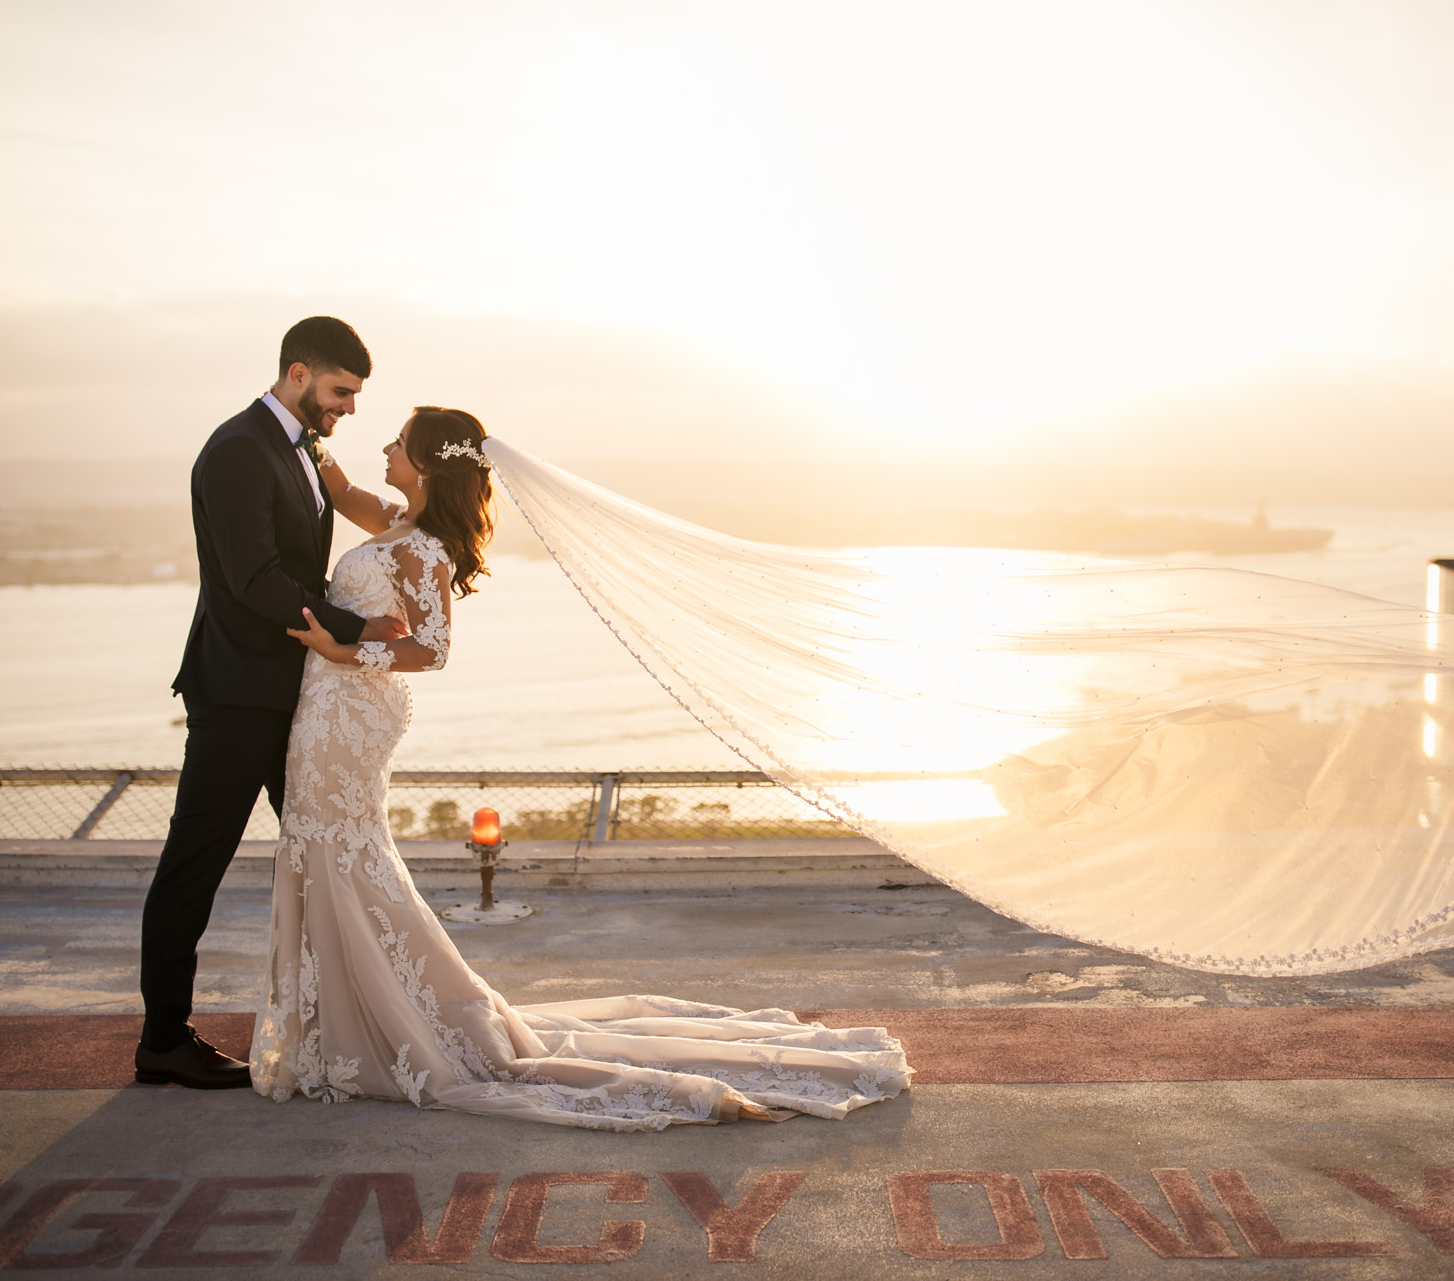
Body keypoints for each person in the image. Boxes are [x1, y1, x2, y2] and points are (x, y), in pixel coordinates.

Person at [251, 406, 910, 1130]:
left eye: (398, 443)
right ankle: (340, 1022)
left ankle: (380, 1024)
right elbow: (344, 492)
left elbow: (433, 648)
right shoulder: (392, 518)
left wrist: (351, 653)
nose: (384, 445)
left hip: (350, 710)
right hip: (331, 706)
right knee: (329, 849)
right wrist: (304, 434)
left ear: (430, 464)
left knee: (341, 849)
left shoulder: (425, 548)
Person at [137, 316, 409, 1090]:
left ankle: (360, 1021)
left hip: (294, 697)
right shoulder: (235, 451)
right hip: (237, 697)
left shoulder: (302, 448)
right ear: (298, 373)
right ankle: (163, 1037)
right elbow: (254, 579)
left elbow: (319, 538)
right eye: (340, 391)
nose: (350, 408)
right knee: (195, 862)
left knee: (335, 854)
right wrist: (357, 628)